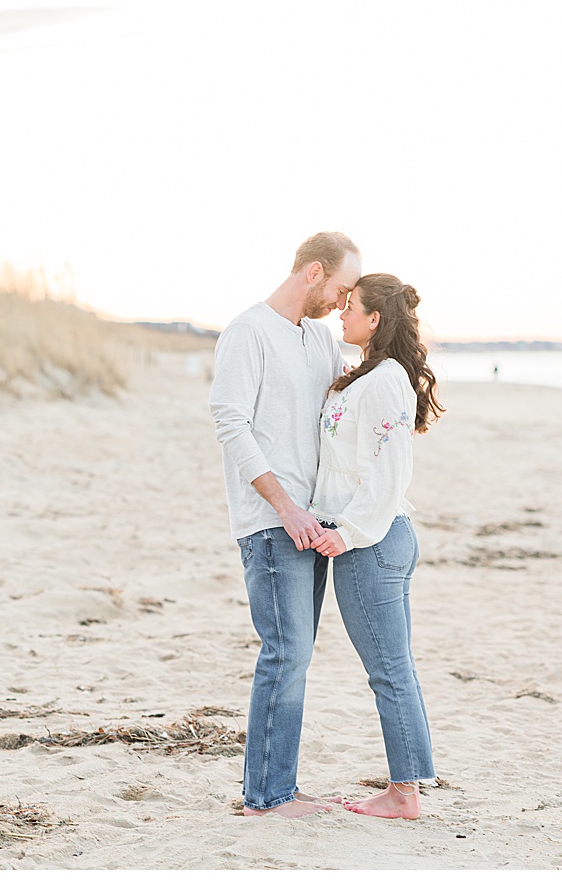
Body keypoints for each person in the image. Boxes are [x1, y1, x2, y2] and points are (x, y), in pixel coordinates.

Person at [209, 231, 362, 818]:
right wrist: (285, 507)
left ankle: (281, 789)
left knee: (297, 655)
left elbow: (342, 410)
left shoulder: (321, 337)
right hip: (272, 520)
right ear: (314, 273)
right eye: (342, 289)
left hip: (314, 519)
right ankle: (267, 798)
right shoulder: (248, 331)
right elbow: (231, 425)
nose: (343, 302)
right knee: (285, 652)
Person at [309, 273, 445, 820]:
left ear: (375, 320)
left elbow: (389, 474)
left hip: (373, 542)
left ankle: (404, 795)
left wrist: (345, 534)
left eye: (350, 307)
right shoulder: (371, 374)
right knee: (395, 666)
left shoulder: (387, 379)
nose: (340, 314)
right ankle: (406, 788)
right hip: (376, 539)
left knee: (389, 670)